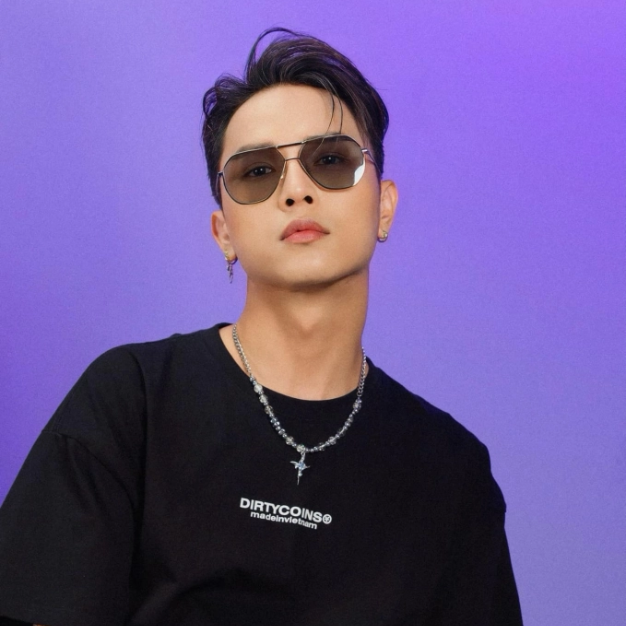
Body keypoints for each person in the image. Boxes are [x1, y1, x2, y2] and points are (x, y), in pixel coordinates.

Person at [0, 28, 523, 626]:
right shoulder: (132, 401)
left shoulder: (450, 469)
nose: (296, 190)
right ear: (223, 231)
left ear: (384, 205)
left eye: (331, 161)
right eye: (257, 171)